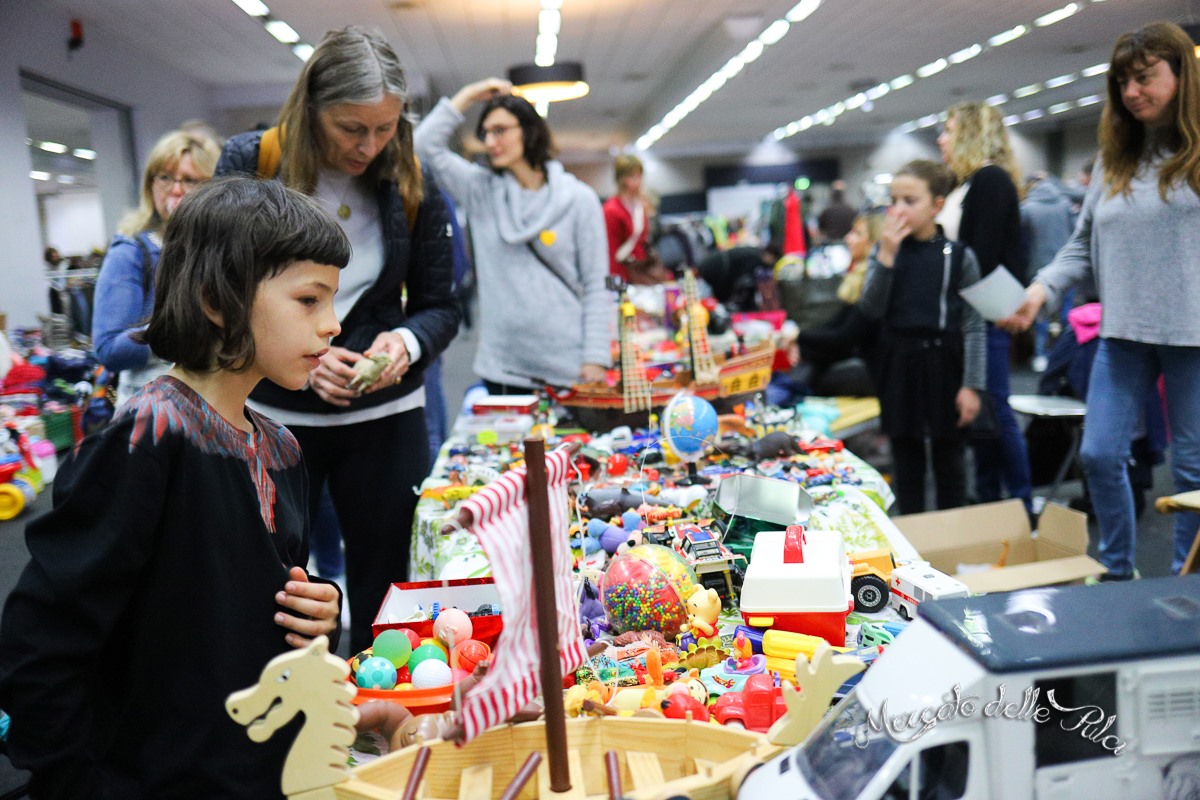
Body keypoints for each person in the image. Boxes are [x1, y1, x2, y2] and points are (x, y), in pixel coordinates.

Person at [0, 176, 345, 799]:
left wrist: (322, 608)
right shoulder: (147, 439)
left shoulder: (282, 448)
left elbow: (258, 599)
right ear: (218, 300)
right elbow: (41, 639)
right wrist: (76, 784)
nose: (333, 325)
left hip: (254, 769)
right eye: (309, 300)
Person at [216, 26, 460, 651]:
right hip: (271, 414)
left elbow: (440, 306)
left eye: (384, 128)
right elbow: (218, 288)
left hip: (385, 417)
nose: (369, 145)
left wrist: (402, 344)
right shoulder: (252, 162)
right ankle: (277, 728)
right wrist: (300, 354)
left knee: (387, 585)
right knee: (271, 579)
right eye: (353, 128)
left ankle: (379, 727)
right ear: (312, 107)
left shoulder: (413, 178)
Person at [1001, 20, 1200, 580]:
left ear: (1182, 76)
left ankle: (1188, 580)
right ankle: (1118, 569)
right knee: (1097, 454)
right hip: (1122, 334)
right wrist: (1041, 290)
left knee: (1192, 472)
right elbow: (1083, 244)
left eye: (1145, 78)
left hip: (1192, 339)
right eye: (1122, 82)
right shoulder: (1115, 161)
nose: (1132, 92)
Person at [414, 77, 612, 394]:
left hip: (568, 366)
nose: (490, 142)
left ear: (529, 130)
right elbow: (423, 148)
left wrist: (596, 358)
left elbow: (596, 285)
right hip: (504, 367)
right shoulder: (481, 191)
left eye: (501, 130)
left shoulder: (578, 199)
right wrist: (466, 95)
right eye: (486, 133)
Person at [858, 161, 984, 514]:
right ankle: (913, 550)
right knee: (906, 461)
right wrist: (884, 256)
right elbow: (870, 309)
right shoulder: (884, 251)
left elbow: (975, 324)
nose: (897, 210)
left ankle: (955, 543)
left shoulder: (958, 256)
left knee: (950, 461)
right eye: (893, 200)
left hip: (945, 362)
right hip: (899, 362)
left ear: (937, 204)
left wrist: (972, 385)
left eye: (909, 200)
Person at [937, 101, 1033, 512]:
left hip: (989, 312)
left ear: (972, 134)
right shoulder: (974, 181)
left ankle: (1020, 504)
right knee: (986, 414)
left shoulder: (990, 181)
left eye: (950, 129)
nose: (942, 139)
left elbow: (982, 257)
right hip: (978, 310)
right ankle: (995, 501)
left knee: (995, 408)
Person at [92, 129, 221, 406]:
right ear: (150, 184)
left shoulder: (223, 249)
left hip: (217, 404)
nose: (175, 190)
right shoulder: (132, 251)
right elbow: (109, 349)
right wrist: (185, 326)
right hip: (155, 411)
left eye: (190, 180)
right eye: (164, 177)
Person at [790, 212, 884, 396]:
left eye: (857, 233)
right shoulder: (860, 276)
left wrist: (799, 340)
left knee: (810, 376)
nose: (848, 238)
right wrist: (800, 341)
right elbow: (836, 326)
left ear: (874, 242)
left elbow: (844, 339)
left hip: (869, 371)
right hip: (856, 360)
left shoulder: (873, 284)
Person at [1020, 172, 1076, 372]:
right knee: (1066, 315)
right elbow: (1076, 233)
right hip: (1067, 267)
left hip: (1039, 269)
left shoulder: (1027, 208)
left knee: (1040, 315)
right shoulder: (1064, 204)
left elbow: (1021, 239)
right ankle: (1065, 356)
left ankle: (1040, 355)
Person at [603, 153, 666, 284]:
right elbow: (611, 252)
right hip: (623, 276)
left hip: (641, 272)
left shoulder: (640, 205)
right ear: (622, 179)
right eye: (633, 176)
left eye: (640, 176)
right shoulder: (611, 210)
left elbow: (644, 241)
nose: (638, 181)